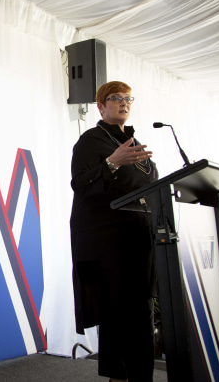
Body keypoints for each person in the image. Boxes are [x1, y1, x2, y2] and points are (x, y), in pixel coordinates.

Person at [70, 81, 158, 381]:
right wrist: (111, 163)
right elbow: (80, 185)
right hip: (110, 242)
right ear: (101, 105)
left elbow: (150, 186)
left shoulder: (134, 144)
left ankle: (142, 375)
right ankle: (118, 376)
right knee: (117, 312)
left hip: (141, 239)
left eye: (128, 98)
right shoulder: (90, 141)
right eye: (116, 98)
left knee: (142, 310)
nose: (124, 103)